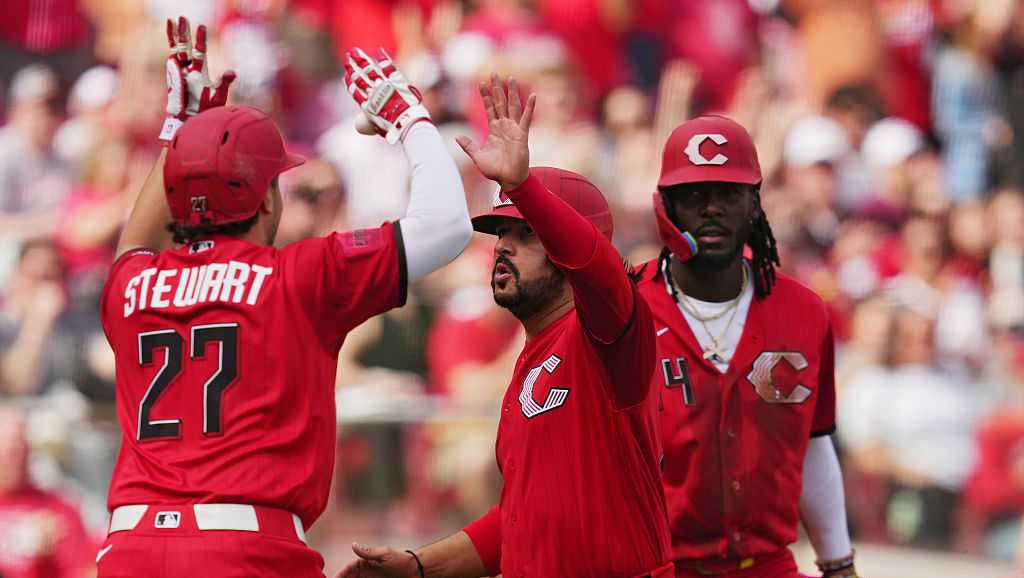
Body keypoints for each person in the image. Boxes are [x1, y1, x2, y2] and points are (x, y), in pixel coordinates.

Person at [95, 18, 471, 578]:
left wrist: (182, 134)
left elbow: (136, 243)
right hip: (246, 548)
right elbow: (448, 227)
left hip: (129, 549)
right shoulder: (299, 274)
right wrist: (411, 120)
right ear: (268, 200)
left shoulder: (133, 285)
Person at [336, 75, 672, 578]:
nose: (502, 246)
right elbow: (519, 519)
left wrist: (524, 187)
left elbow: (599, 271)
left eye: (526, 234)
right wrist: (418, 567)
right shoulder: (531, 357)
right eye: (500, 232)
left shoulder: (609, 334)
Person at [638, 115, 859, 578]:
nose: (712, 209)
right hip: (655, 566)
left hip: (768, 565)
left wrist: (838, 564)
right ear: (666, 207)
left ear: (754, 205)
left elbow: (815, 441)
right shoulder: (624, 309)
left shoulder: (803, 311)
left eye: (728, 194)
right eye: (694, 196)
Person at [0, 404, 94, 578]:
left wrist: (47, 559)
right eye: (8, 449)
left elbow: (83, 571)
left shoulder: (58, 509)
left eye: (20, 446)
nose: (15, 457)